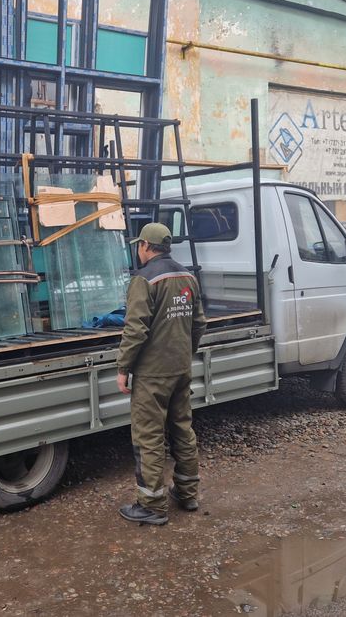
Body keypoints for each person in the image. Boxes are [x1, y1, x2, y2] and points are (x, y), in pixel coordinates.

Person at [116, 223, 207, 525]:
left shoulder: (144, 280)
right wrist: (185, 353)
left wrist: (123, 367)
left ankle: (152, 505)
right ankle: (187, 493)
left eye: (138, 246)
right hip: (180, 369)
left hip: (152, 374)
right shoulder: (188, 276)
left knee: (149, 437)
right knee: (183, 430)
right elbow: (199, 323)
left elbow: (136, 329)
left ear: (145, 246)